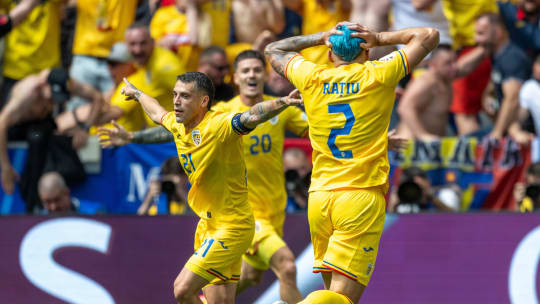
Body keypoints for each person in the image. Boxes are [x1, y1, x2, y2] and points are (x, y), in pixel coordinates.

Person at [265, 22, 439, 302]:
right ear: (366, 52)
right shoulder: (379, 73)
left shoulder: (311, 75)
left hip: (320, 198)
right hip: (360, 196)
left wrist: (321, 37)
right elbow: (429, 35)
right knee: (343, 299)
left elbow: (274, 49)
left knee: (332, 295)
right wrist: (380, 37)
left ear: (331, 54)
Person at [118, 71, 303, 304]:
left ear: (203, 101)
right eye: (175, 95)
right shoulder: (178, 124)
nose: (176, 101)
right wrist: (137, 94)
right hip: (207, 225)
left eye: (185, 96)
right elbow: (156, 112)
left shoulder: (219, 126)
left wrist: (283, 102)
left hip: (232, 227)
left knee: (182, 289)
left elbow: (251, 116)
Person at [0, 68, 103, 211]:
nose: (54, 101)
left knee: (50, 135)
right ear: (43, 85)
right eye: (51, 97)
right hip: (19, 129)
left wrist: (85, 130)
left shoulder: (70, 83)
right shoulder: (28, 92)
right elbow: (1, 124)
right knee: (37, 137)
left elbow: (98, 98)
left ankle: (59, 182)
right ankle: (33, 202)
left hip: (42, 125)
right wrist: (5, 168)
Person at [396, 44, 490, 140]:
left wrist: (484, 49)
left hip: (431, 144)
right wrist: (423, 136)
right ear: (433, 64)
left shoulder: (446, 77)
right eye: (448, 63)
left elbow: (465, 66)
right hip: (411, 146)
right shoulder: (425, 82)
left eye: (455, 61)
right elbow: (404, 108)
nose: (454, 67)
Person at [475, 13, 532, 140]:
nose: (476, 39)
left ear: (498, 32)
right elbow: (496, 82)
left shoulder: (512, 57)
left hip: (522, 132)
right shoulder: (499, 56)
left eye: (481, 33)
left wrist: (496, 134)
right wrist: (487, 96)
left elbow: (512, 99)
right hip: (508, 129)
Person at [509, 54, 540, 143]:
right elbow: (515, 121)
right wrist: (517, 133)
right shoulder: (530, 88)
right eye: (537, 63)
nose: (537, 68)